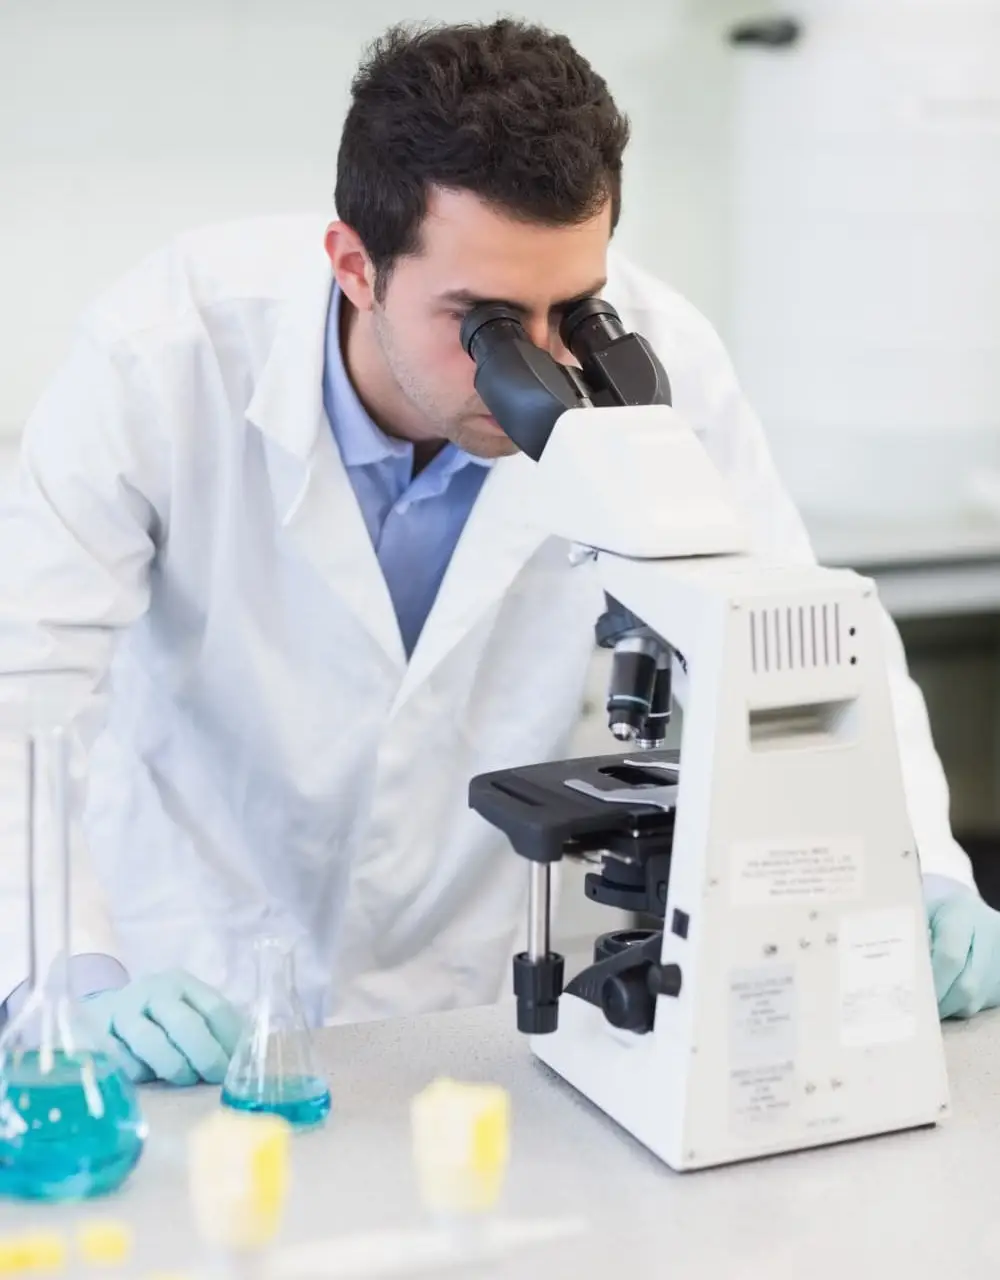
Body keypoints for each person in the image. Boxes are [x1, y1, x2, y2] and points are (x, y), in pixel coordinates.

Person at [1, 20, 998, 1088]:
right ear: (354, 266)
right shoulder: (165, 355)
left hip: (491, 1001)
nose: (544, 361)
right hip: (195, 989)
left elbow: (802, 644)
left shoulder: (669, 360)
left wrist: (921, 869)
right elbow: (24, 690)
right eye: (484, 322)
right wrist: (70, 976)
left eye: (572, 308)